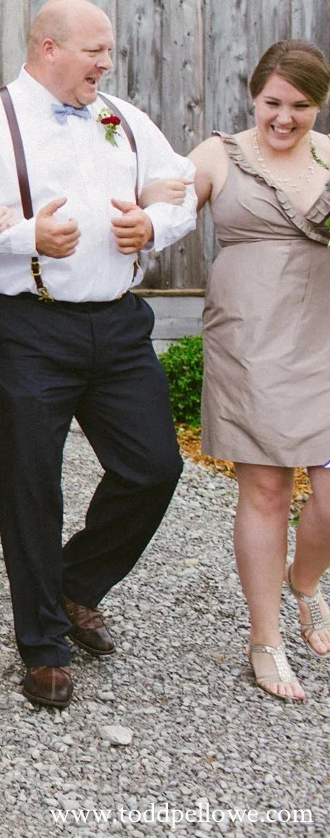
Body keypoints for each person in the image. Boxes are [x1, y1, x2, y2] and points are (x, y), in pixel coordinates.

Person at [0, 0, 197, 710]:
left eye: (107, 52)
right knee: (31, 481)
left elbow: (183, 189)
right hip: (26, 325)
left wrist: (156, 223)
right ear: (49, 47)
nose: (106, 64)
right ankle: (43, 643)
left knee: (153, 467)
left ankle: (76, 584)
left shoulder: (123, 118)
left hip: (116, 322)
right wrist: (25, 240)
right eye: (95, 51)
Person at [185, 40, 330, 701]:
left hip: (322, 335)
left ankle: (304, 582)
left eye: (301, 106)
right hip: (249, 338)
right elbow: (158, 213)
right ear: (254, 96)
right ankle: (266, 638)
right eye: (274, 102)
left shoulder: (329, 156)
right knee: (267, 490)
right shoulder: (220, 154)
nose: (285, 118)